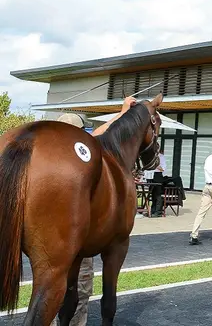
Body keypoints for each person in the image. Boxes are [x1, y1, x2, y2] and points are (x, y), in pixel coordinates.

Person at [50, 96, 136, 326]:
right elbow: (103, 131)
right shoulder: (81, 149)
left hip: (50, 241)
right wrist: (123, 111)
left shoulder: (48, 155)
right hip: (79, 235)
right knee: (81, 285)